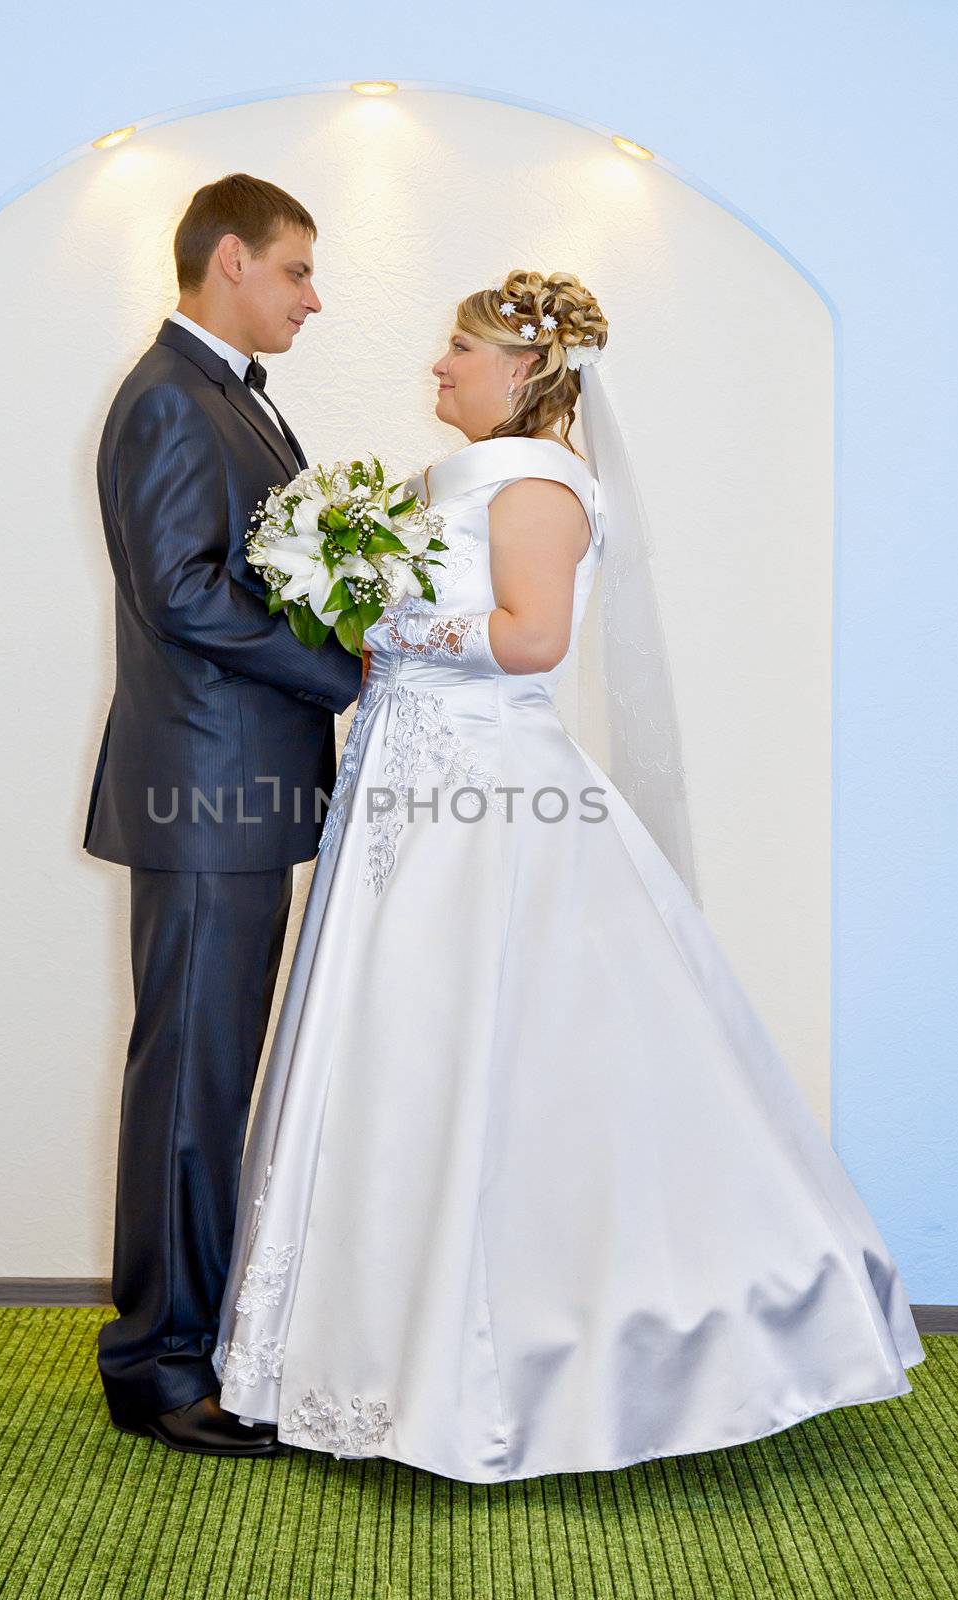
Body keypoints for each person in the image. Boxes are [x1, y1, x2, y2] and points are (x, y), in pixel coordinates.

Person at [209, 269, 926, 1482]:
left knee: (485, 1049)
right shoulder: (463, 474)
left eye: (457, 350)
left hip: (480, 796)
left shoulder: (530, 479)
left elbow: (531, 638)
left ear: (523, 371)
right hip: (411, 782)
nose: (436, 366)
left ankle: (514, 1359)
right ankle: (364, 1358)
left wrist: (376, 624)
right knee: (403, 1054)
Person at [83, 173, 363, 1456]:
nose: (313, 297)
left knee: (207, 1078)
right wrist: (341, 672)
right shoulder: (168, 399)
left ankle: (192, 1338)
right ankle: (156, 1368)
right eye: (298, 272)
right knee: (193, 1086)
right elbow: (184, 595)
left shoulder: (222, 397)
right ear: (232, 259)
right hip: (205, 799)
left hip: (235, 796)